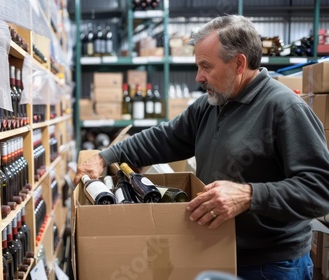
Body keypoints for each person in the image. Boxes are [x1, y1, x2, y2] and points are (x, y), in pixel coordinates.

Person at [73, 15, 329, 280]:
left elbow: (320, 187)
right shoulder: (212, 105)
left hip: (271, 266)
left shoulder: (284, 109)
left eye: (206, 66)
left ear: (239, 63)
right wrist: (105, 157)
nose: (199, 77)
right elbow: (165, 138)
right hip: (217, 252)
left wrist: (249, 195)